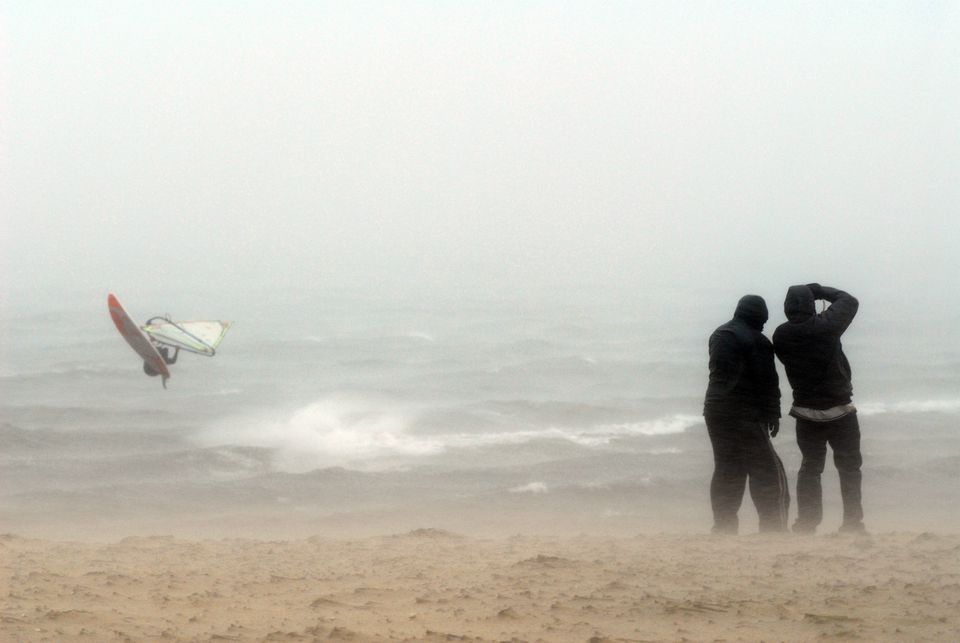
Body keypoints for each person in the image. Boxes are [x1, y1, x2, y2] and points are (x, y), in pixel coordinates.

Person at [772, 283, 864, 534]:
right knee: (849, 468)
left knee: (810, 467)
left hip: (805, 412)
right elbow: (849, 300)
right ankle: (853, 523)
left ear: (787, 308)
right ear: (811, 305)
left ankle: (807, 523)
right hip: (841, 410)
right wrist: (820, 290)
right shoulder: (827, 327)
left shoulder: (780, 335)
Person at [703, 295, 790, 534]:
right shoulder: (758, 341)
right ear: (758, 316)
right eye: (763, 318)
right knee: (767, 470)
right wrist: (774, 413)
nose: (764, 323)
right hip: (745, 414)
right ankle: (773, 528)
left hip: (715, 411)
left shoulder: (719, 334)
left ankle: (724, 527)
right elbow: (767, 382)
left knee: (727, 468)